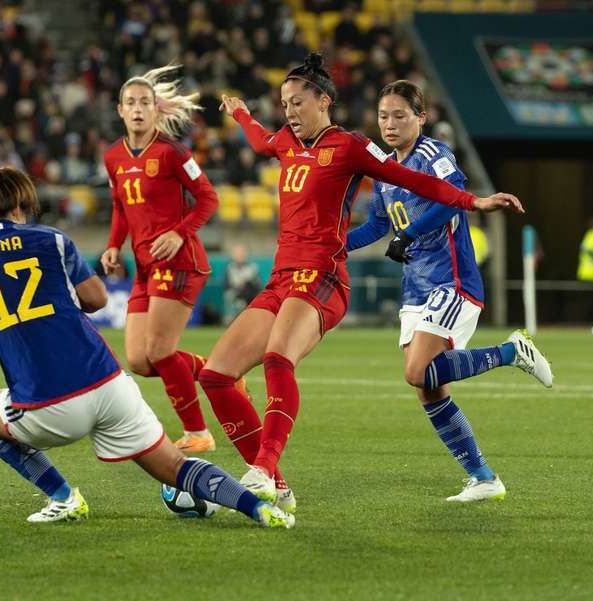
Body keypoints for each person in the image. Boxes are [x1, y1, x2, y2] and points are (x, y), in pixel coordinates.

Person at [0, 167, 294, 529]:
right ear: (20, 207)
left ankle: (64, 497)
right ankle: (257, 508)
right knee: (173, 465)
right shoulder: (52, 239)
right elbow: (93, 299)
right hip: (109, 385)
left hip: (46, 407)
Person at [202, 54, 524, 511]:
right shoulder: (286, 145)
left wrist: (474, 201)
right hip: (280, 278)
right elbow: (259, 141)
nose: (289, 111)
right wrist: (239, 113)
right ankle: (277, 485)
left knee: (278, 357)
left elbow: (414, 179)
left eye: (297, 102)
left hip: (322, 278)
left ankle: (263, 470)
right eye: (284, 104)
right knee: (216, 376)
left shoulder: (350, 146)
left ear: (324, 101)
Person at [346, 80, 553, 502]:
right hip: (415, 290)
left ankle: (512, 352)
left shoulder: (433, 154)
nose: (390, 123)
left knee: (417, 371)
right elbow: (378, 226)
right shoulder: (385, 169)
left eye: (400, 115)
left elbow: (453, 196)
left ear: (421, 118)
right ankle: (484, 478)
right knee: (429, 386)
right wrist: (330, 244)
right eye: (384, 115)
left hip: (452, 281)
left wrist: (411, 232)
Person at [101, 65, 235, 453]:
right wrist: (114, 245)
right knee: (141, 361)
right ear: (120, 110)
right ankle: (217, 372)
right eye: (131, 103)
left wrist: (179, 232)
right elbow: (119, 205)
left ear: (156, 109)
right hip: (144, 266)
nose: (138, 109)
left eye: (145, 102)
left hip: (180, 261)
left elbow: (209, 199)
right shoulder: (113, 158)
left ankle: (198, 433)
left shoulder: (173, 152)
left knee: (160, 351)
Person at [223, 243, 261, 324]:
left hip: (250, 295)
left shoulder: (252, 267)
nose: (240, 255)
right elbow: (226, 285)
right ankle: (231, 321)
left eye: (242, 252)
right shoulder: (230, 267)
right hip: (235, 294)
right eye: (237, 253)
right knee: (231, 297)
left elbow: (257, 285)